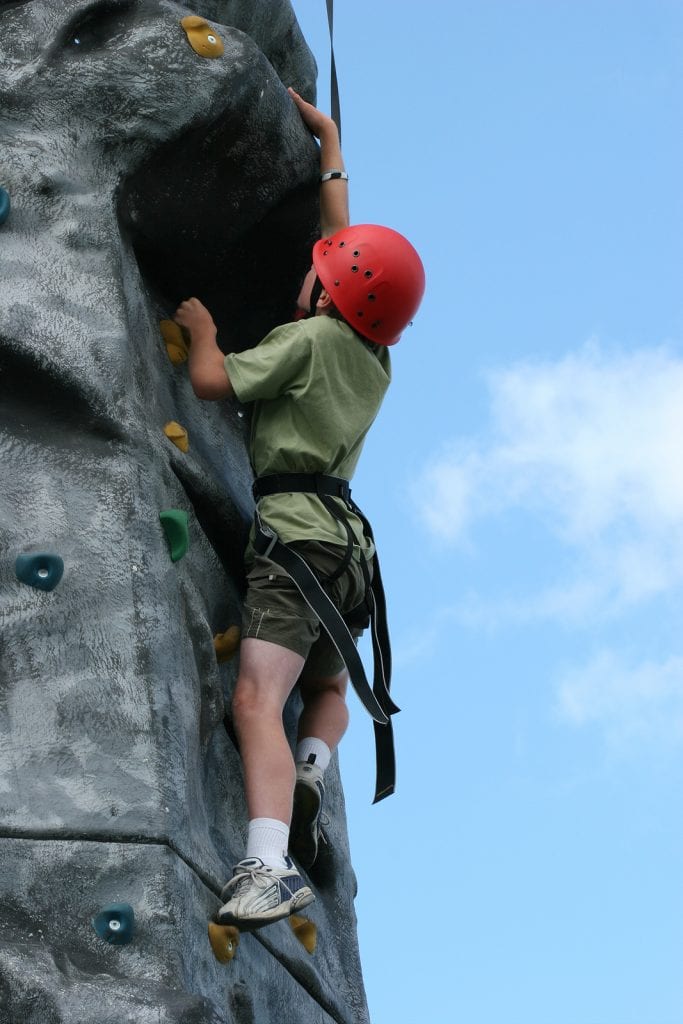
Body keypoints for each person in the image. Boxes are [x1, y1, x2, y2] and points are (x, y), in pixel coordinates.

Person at [174, 88, 425, 931]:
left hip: (295, 547)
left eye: (315, 272)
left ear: (326, 293)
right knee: (324, 689)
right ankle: (312, 766)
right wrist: (329, 145)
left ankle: (268, 862)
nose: (307, 268)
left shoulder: (305, 339)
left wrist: (204, 331)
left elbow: (213, 383)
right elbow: (345, 249)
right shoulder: (373, 354)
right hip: (348, 557)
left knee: (254, 699)